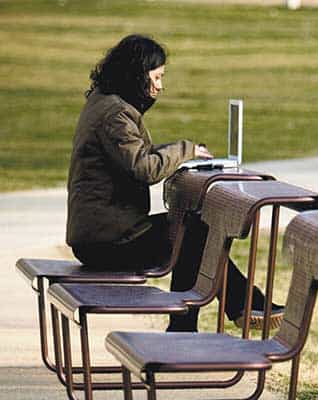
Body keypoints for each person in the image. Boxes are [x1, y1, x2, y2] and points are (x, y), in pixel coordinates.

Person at [66, 34, 283, 332]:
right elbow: (144, 168)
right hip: (107, 243)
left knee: (193, 232)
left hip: (100, 235)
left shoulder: (104, 103)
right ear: (136, 75)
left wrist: (181, 154)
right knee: (195, 234)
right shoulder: (116, 114)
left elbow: (133, 156)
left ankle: (222, 312)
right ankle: (230, 310)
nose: (160, 86)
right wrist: (185, 149)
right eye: (156, 77)